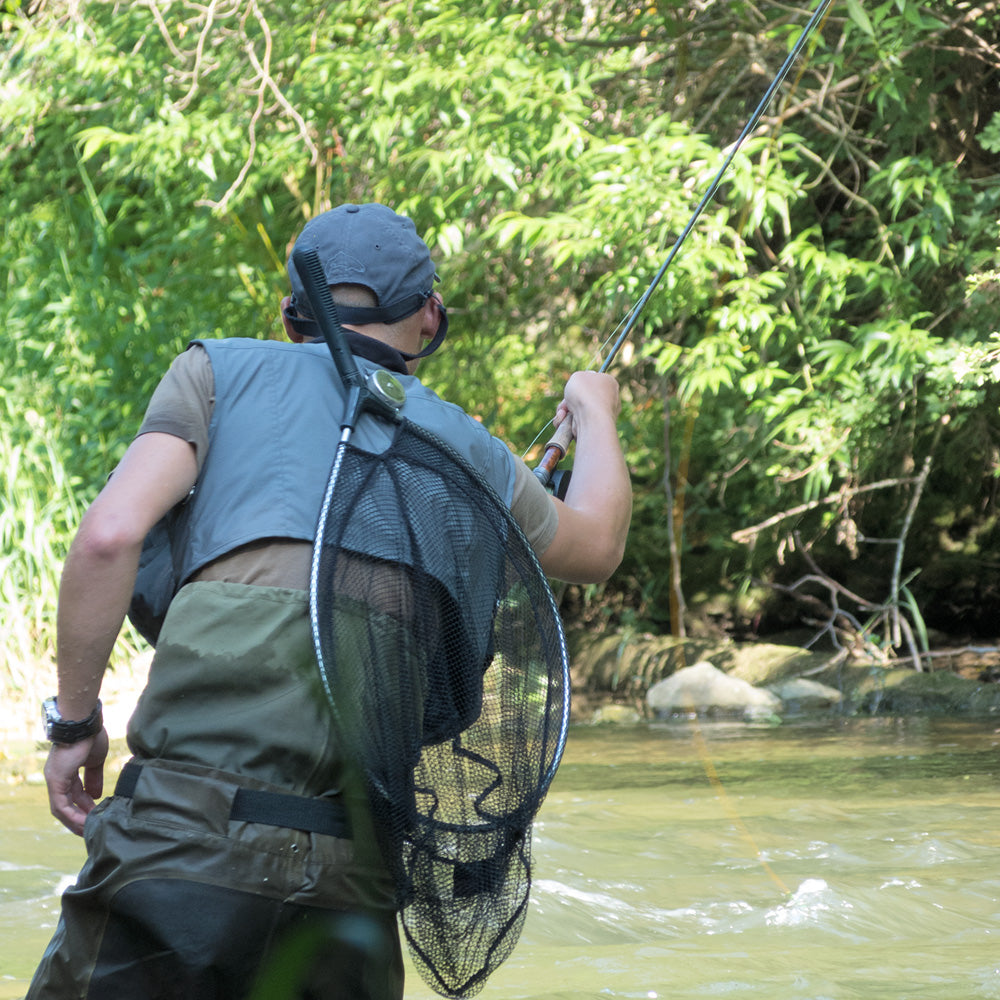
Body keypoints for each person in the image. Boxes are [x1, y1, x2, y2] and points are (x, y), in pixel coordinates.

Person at [28, 202, 632, 1000]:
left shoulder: (216, 373)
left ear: (291, 314)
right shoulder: (467, 447)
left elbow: (109, 536)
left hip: (179, 843)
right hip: (353, 876)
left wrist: (74, 726)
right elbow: (596, 547)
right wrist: (595, 413)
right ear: (428, 319)